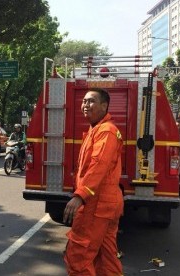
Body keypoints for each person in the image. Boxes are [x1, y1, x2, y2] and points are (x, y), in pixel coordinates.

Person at [63, 88, 124, 275]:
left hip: (96, 205)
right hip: (105, 203)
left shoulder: (105, 131)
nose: (85, 105)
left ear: (104, 106)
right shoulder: (97, 129)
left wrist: (80, 196)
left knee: (78, 256)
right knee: (106, 258)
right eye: (83, 101)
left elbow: (99, 165)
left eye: (91, 101)